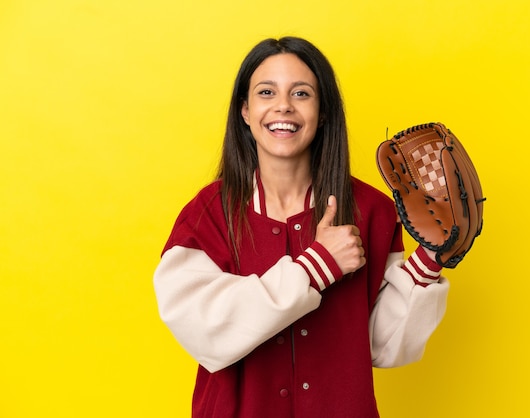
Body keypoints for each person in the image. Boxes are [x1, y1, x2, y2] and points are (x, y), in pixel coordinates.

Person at [153, 36, 449, 418]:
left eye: (302, 93)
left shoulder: (373, 210)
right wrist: (316, 266)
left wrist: (430, 259)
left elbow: (380, 345)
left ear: (323, 111)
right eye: (266, 92)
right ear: (245, 110)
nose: (283, 106)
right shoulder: (206, 214)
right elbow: (203, 331)